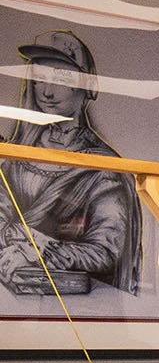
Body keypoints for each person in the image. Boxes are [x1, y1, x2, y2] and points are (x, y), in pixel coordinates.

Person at [0, 30, 141, 297]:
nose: (48, 92)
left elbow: (105, 252)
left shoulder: (104, 170)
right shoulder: (15, 157)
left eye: (62, 79)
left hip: (78, 306)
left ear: (85, 87)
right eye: (40, 79)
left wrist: (37, 251)